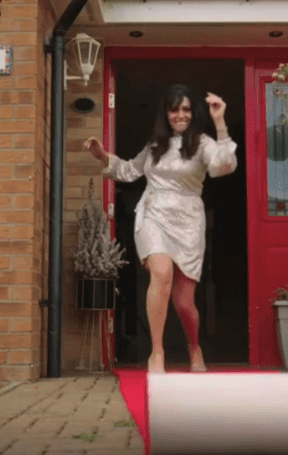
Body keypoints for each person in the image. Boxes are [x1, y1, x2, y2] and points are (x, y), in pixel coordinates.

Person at [84, 84, 238, 374]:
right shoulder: (155, 146)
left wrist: (219, 122)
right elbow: (129, 170)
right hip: (153, 215)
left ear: (193, 113)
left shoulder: (204, 143)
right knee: (161, 273)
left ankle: (194, 347)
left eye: (186, 109)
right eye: (174, 109)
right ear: (165, 113)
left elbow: (225, 165)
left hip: (189, 221)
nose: (180, 115)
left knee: (183, 301)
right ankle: (157, 353)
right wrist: (103, 156)